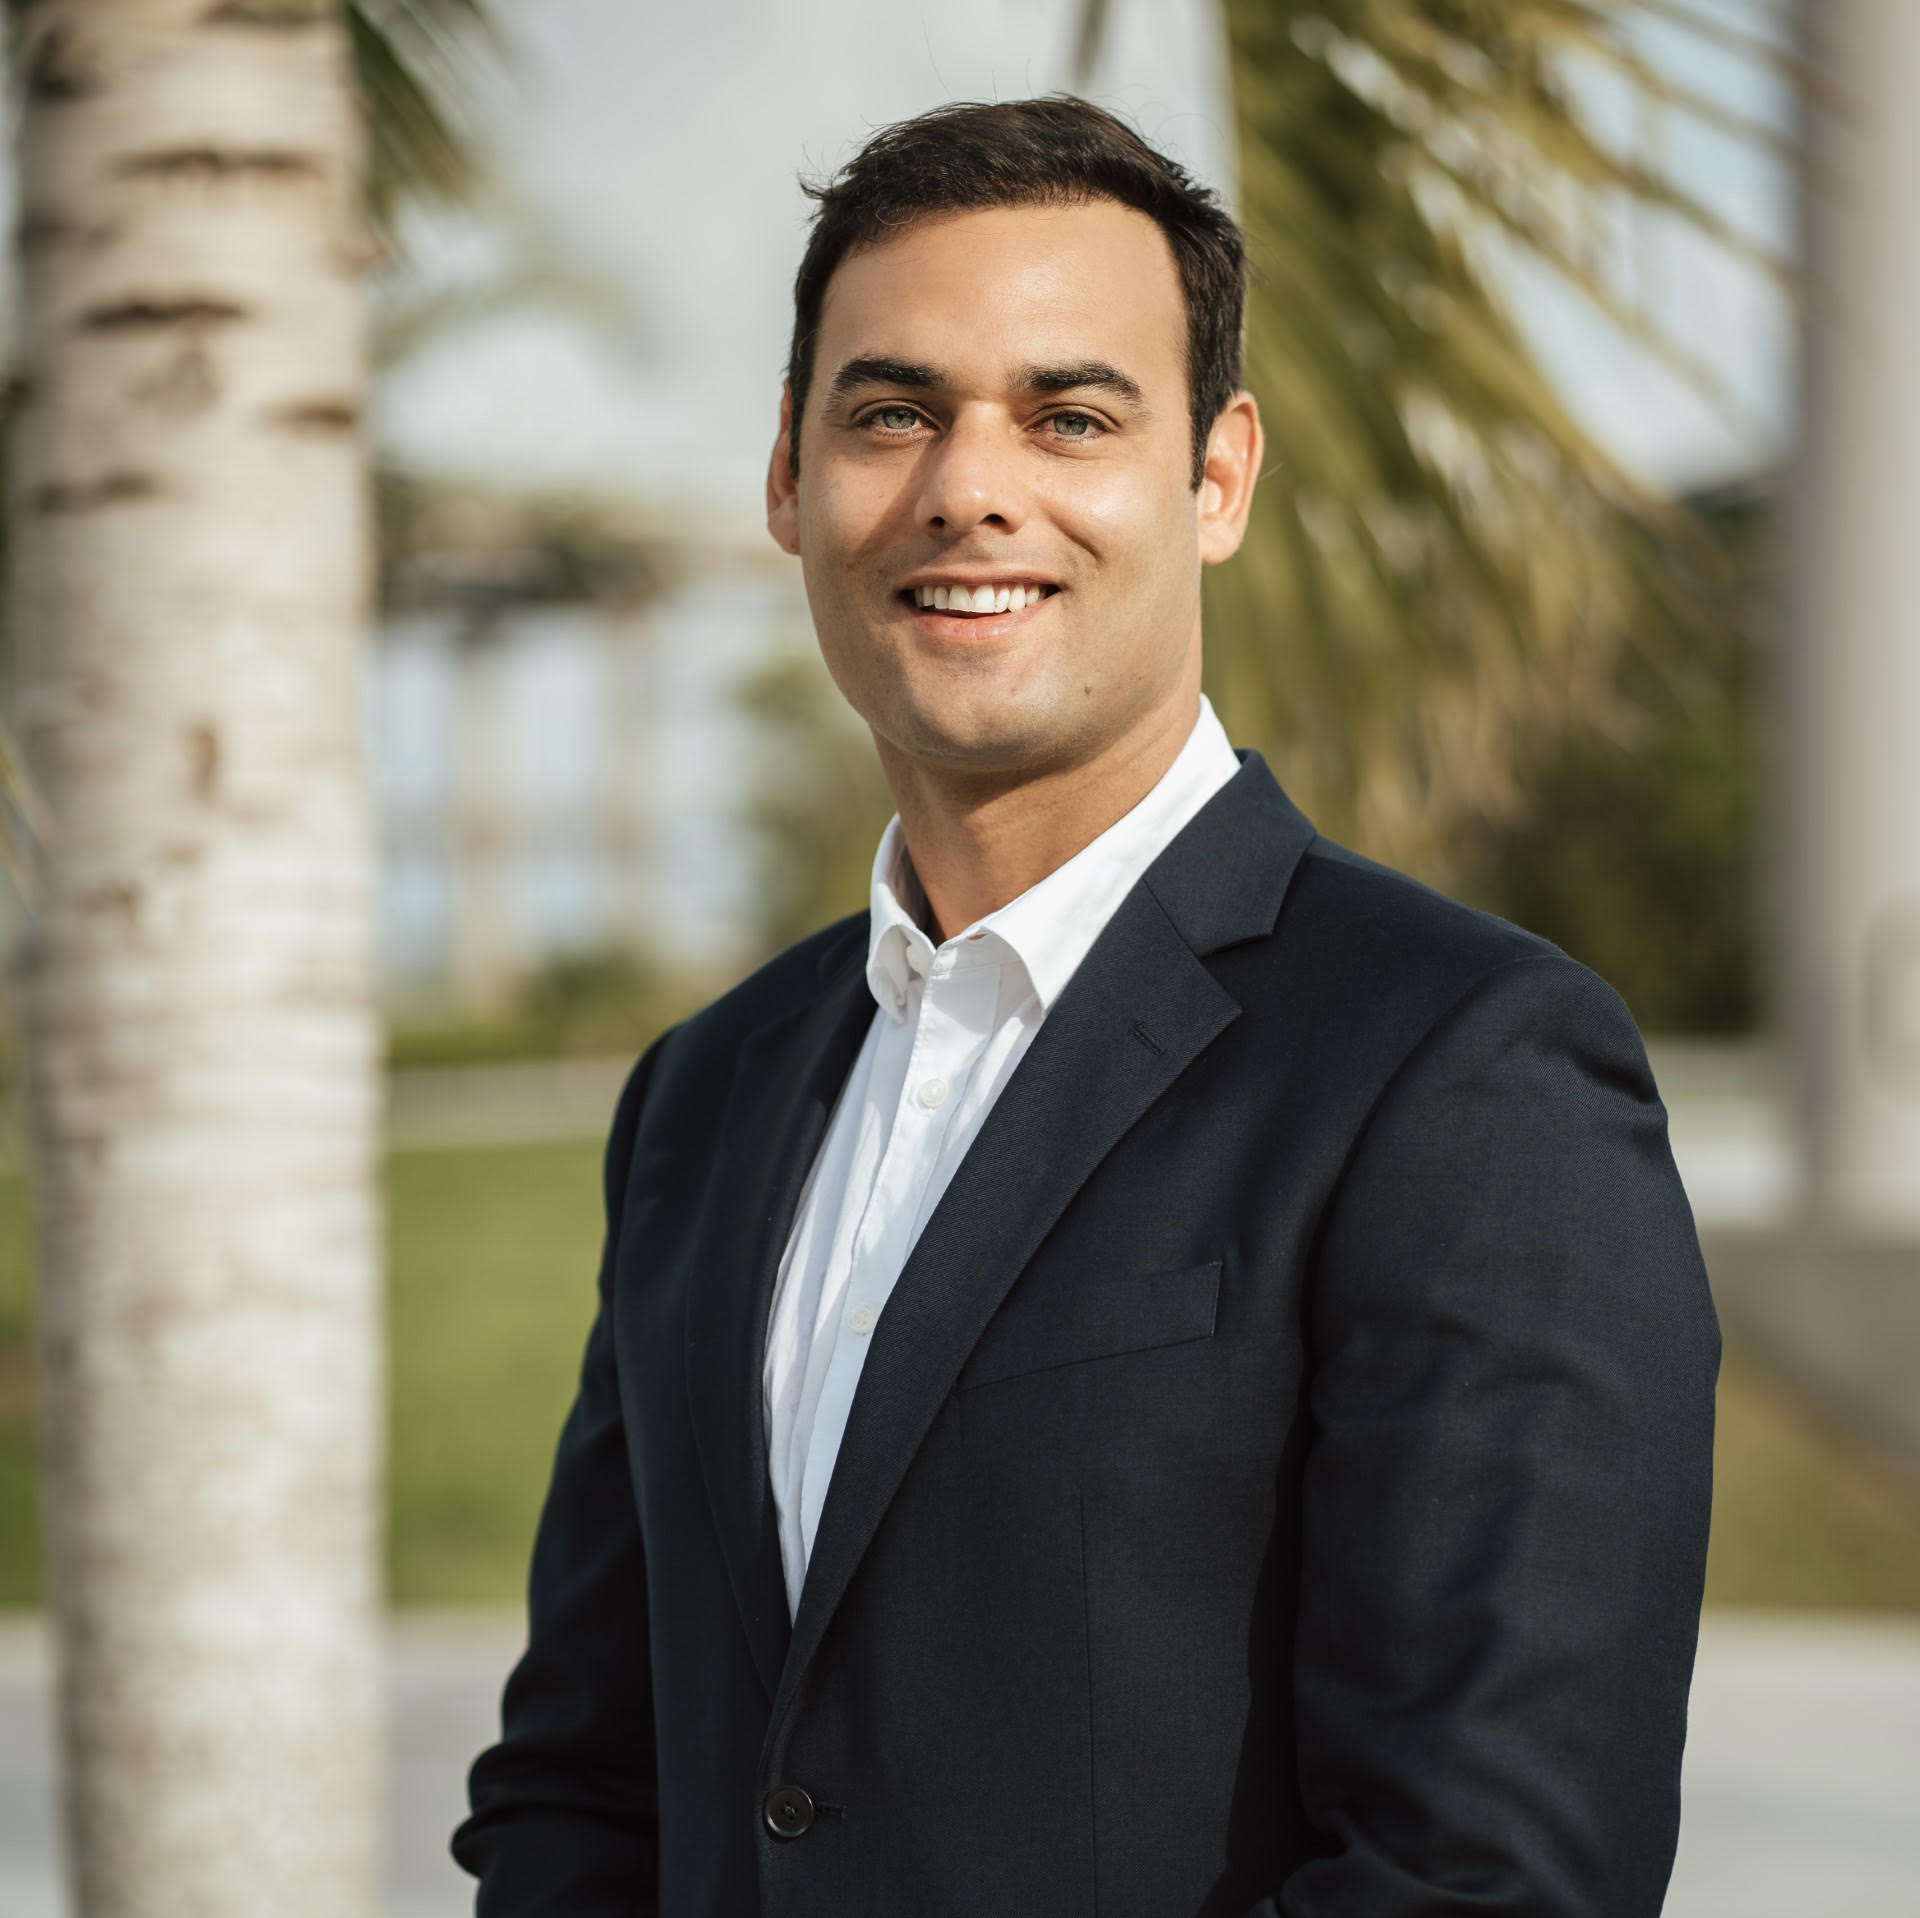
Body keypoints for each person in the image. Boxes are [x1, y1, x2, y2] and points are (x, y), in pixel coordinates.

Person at [452, 96, 1719, 1918]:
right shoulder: (705, 1095)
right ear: (789, 483)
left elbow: (1489, 1876)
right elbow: (587, 1779)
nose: (970, 484)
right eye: (892, 411)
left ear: (1217, 477)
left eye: (1070, 414)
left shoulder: (1463, 1069)